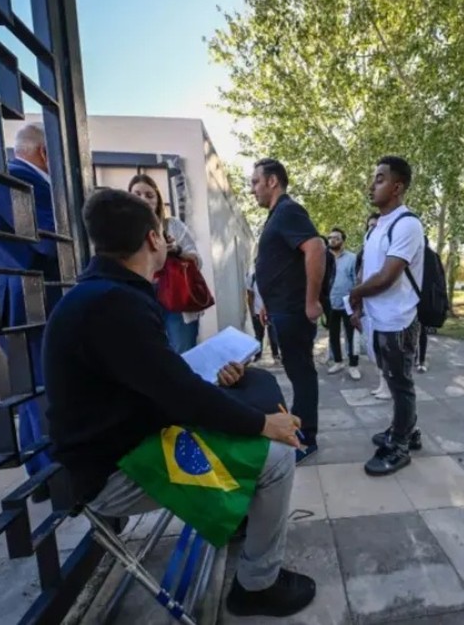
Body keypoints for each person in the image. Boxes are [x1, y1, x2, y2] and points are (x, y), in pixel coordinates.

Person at [42, 188, 316, 618]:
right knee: (279, 455)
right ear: (154, 240)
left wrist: (216, 375)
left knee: (248, 392)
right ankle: (257, 586)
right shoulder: (116, 304)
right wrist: (264, 426)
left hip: (128, 440)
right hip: (116, 470)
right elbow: (179, 394)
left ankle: (238, 520)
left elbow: (158, 380)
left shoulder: (103, 295)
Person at [0, 123, 58, 496]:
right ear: (44, 152)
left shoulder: (6, 178)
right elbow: (49, 240)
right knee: (42, 387)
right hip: (28, 300)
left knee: (31, 388)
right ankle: (54, 478)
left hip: (18, 300)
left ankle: (39, 474)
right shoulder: (18, 180)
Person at [349, 156, 425, 476]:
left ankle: (401, 445)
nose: (372, 184)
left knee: (401, 383)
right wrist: (360, 308)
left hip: (398, 321)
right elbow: (367, 270)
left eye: (379, 179)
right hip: (377, 319)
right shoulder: (376, 227)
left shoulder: (407, 224)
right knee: (394, 381)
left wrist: (355, 296)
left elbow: (387, 276)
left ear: (397, 186)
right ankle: (404, 427)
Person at [251, 158, 325, 463]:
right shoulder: (277, 215)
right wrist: (267, 301)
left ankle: (306, 438)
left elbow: (316, 247)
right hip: (281, 308)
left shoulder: (288, 210)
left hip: (294, 311)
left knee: (302, 374)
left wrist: (311, 301)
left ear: (272, 181)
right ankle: (301, 430)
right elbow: (281, 264)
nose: (252, 188)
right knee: (297, 374)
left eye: (255, 181)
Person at [128, 174, 203, 353]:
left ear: (158, 199)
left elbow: (197, 260)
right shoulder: (124, 231)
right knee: (149, 354)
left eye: (149, 195)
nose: (143, 199)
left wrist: (176, 250)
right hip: (140, 297)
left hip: (176, 296)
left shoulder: (172, 225)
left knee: (183, 353)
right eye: (137, 194)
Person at [357, 213, 389, 398]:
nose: (372, 229)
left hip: (383, 306)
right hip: (369, 305)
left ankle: (387, 385)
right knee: (373, 347)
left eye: (376, 226)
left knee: (385, 348)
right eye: (369, 226)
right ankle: (381, 382)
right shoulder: (365, 252)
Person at [326, 228, 360, 380]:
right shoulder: (324, 258)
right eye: (330, 237)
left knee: (351, 335)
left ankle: (353, 365)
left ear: (343, 241)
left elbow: (356, 280)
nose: (332, 240)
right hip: (330, 303)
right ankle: (338, 361)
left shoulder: (352, 258)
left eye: (336, 238)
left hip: (348, 303)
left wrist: (356, 302)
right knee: (333, 334)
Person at [246, 267, 280, 362]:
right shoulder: (252, 277)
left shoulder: (272, 276)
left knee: (273, 334)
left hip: (271, 311)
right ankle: (258, 356)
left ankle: (275, 355)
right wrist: (252, 312)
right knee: (259, 335)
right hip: (257, 311)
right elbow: (250, 295)